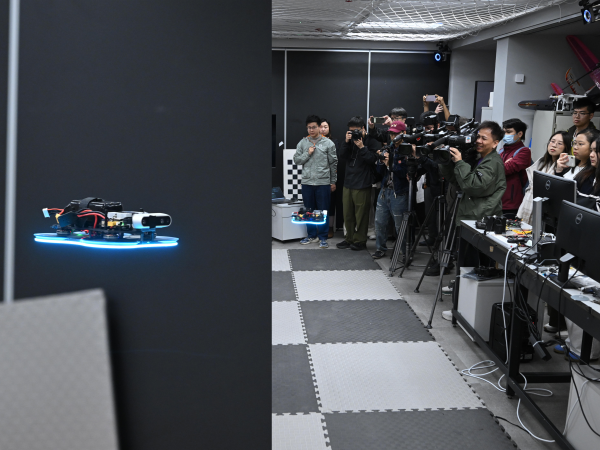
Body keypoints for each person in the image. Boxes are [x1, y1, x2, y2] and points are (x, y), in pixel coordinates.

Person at [438, 121, 507, 320]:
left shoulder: (493, 163)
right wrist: (446, 162)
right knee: (465, 265)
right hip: (470, 218)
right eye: (477, 137)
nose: (478, 141)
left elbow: (473, 186)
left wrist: (460, 162)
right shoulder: (479, 158)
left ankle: (463, 312)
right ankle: (464, 310)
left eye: (484, 138)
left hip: (479, 221)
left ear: (495, 143)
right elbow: (458, 180)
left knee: (470, 266)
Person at [293, 115, 338, 248]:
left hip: (323, 182)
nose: (311, 130)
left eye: (313, 127)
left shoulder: (328, 143)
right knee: (308, 210)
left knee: (323, 210)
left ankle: (323, 237)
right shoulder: (302, 143)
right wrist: (308, 153)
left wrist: (333, 181)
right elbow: (297, 160)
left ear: (319, 127)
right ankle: (311, 235)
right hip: (307, 182)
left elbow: (333, 164)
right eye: (309, 127)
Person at [336, 116, 377, 251]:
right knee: (347, 213)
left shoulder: (371, 140)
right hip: (348, 181)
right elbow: (342, 156)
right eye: (351, 131)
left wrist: (362, 147)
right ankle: (349, 239)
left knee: (361, 215)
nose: (354, 134)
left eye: (356, 131)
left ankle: (360, 240)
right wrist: (347, 142)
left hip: (363, 182)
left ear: (363, 128)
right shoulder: (349, 141)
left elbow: (373, 160)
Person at [371, 121, 409, 259]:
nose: (393, 136)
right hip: (384, 190)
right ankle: (380, 248)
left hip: (399, 192)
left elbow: (404, 173)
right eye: (391, 134)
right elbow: (379, 172)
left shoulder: (407, 151)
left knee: (400, 226)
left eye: (395, 134)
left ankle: (404, 253)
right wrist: (382, 161)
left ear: (403, 134)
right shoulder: (389, 148)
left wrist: (390, 164)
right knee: (380, 222)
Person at [517, 131, 571, 225]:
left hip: (547, 213)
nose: (554, 145)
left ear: (566, 147)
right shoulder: (541, 162)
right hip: (528, 204)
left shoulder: (566, 168)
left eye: (559, 143)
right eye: (552, 141)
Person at [500, 118, 532, 219]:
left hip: (511, 203)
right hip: (497, 200)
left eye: (509, 132)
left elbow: (505, 169)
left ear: (520, 134)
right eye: (504, 131)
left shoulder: (524, 152)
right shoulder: (501, 151)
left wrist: (501, 165)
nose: (505, 134)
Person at [555, 129, 599, 194]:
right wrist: (558, 171)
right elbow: (556, 186)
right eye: (575, 143)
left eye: (580, 144)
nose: (575, 147)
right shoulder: (570, 163)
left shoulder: (593, 172)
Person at [320, 118, 341, 238]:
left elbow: (336, 159)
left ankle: (330, 228)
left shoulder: (334, 142)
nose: (323, 129)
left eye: (325, 127)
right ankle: (319, 227)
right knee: (318, 204)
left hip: (330, 178)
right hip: (316, 178)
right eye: (321, 126)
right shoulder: (311, 141)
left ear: (329, 128)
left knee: (330, 204)